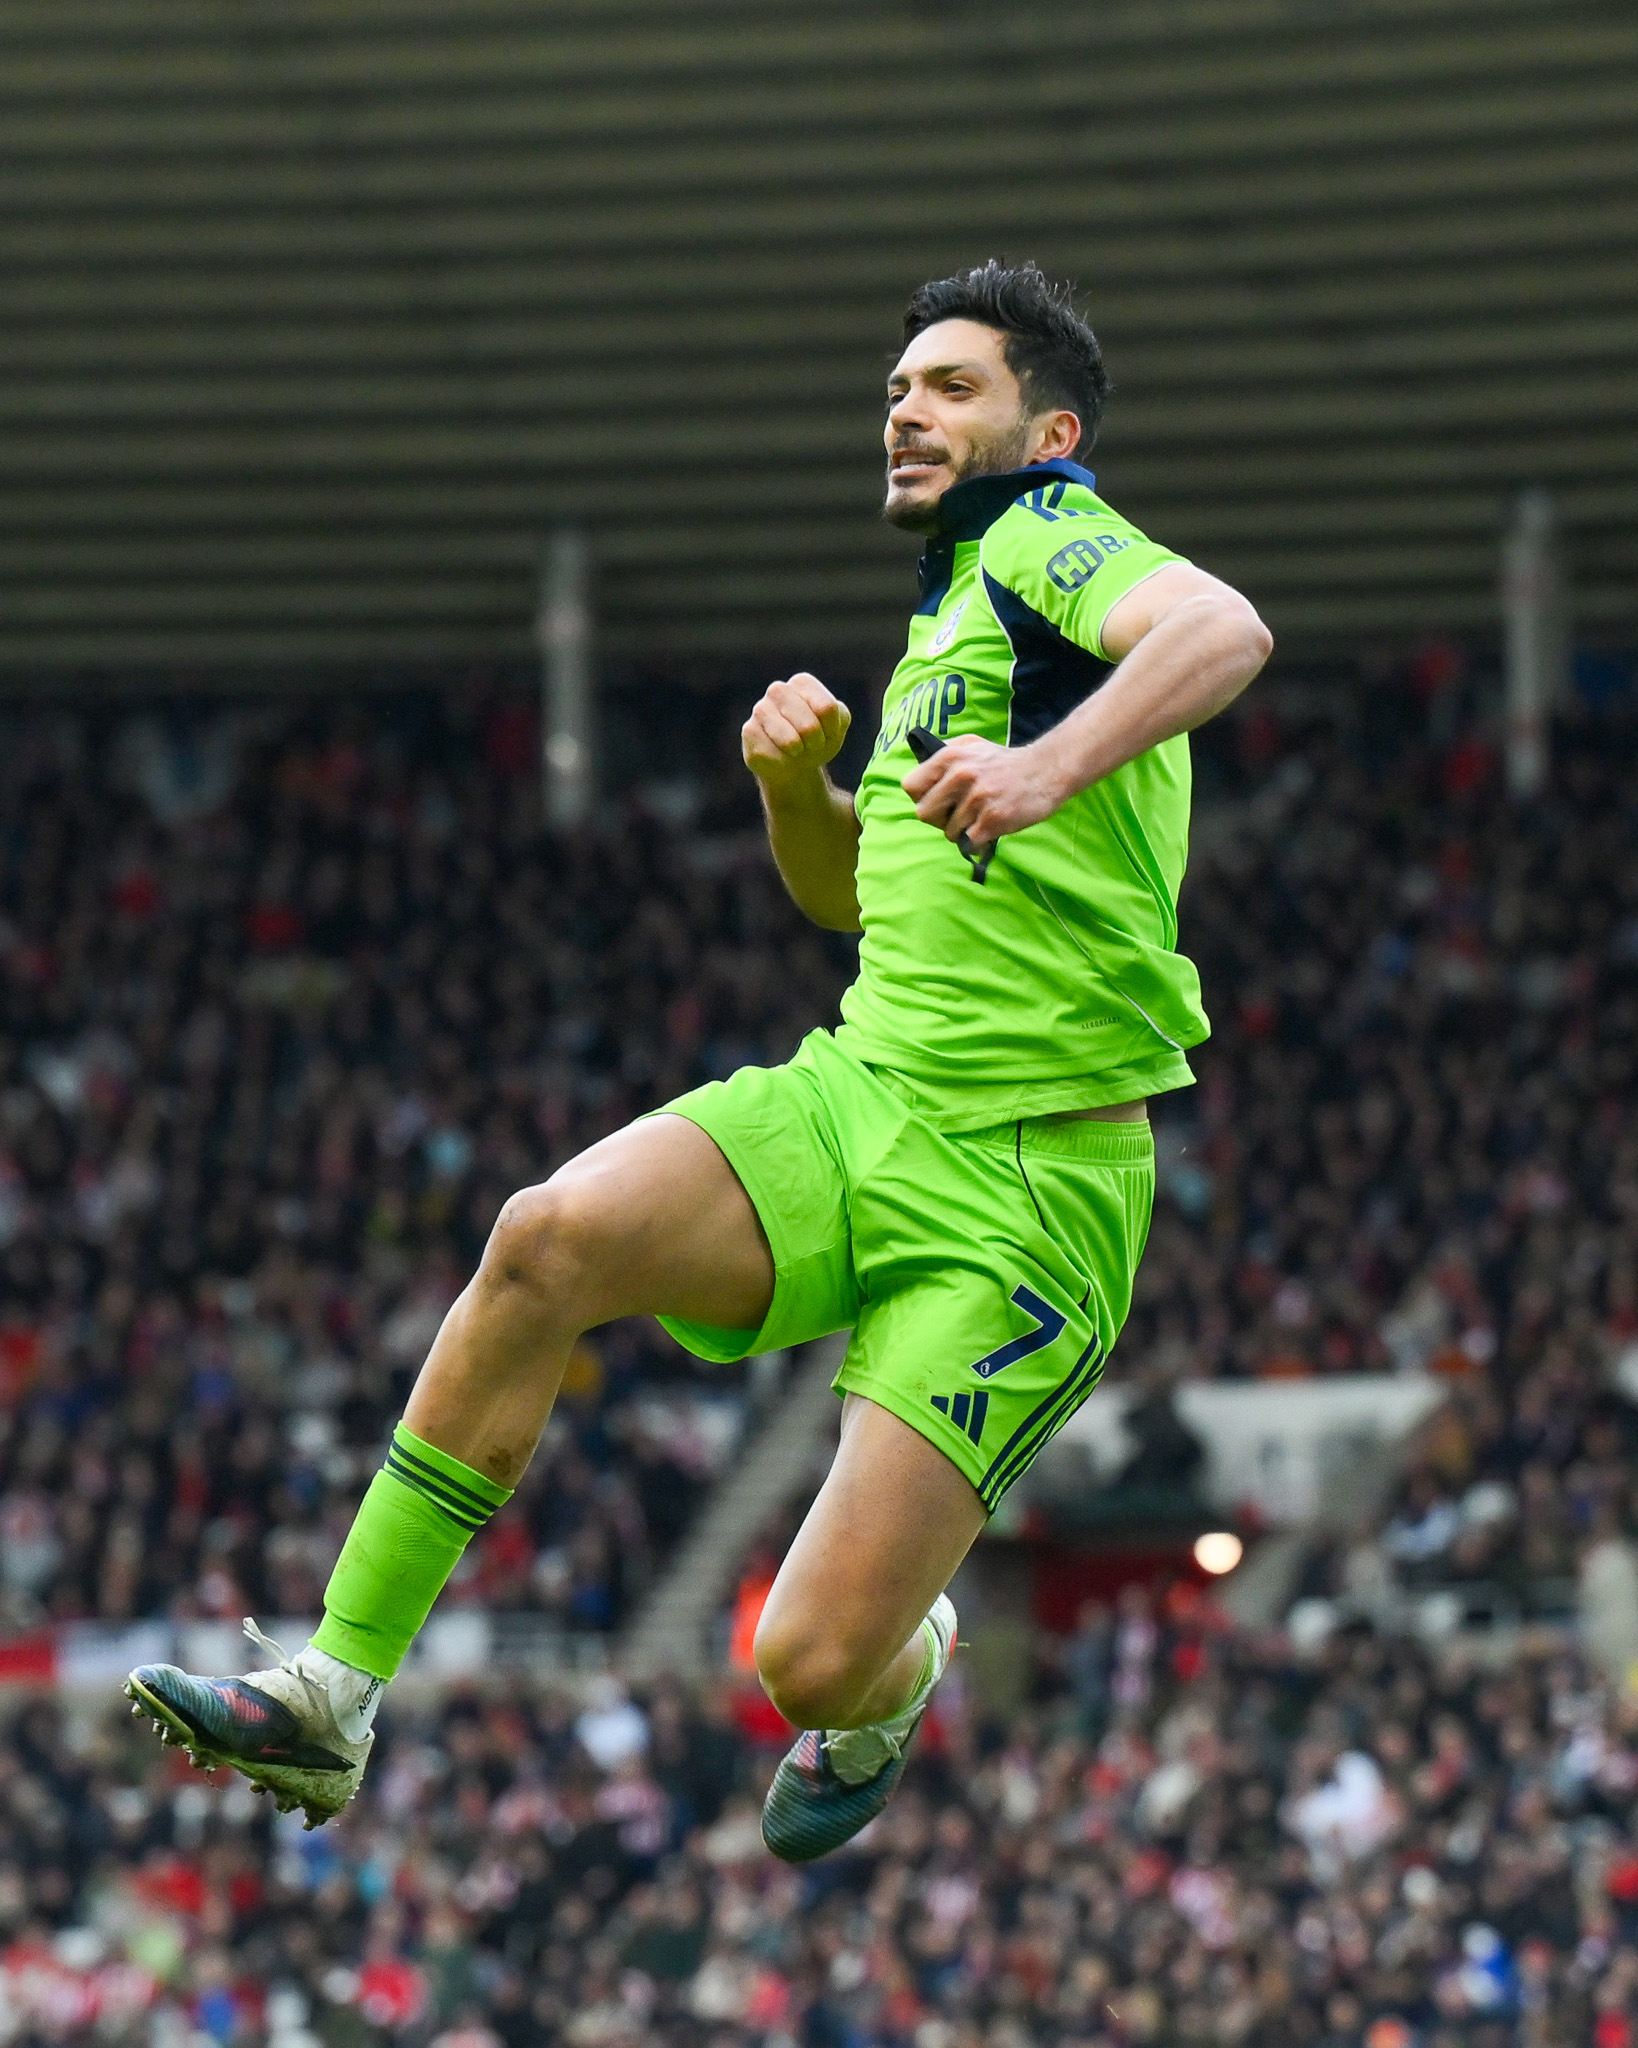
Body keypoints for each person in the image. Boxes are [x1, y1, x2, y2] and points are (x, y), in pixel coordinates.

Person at [125, 260, 1271, 1860]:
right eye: (895, 388)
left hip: (1029, 1191)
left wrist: (1047, 764)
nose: (906, 410)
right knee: (544, 1237)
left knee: (803, 1664)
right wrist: (797, 789)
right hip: (862, 1091)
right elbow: (845, 902)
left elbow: (1223, 625)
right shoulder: (953, 611)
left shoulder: (1048, 540)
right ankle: (331, 1693)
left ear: (1047, 426)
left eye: (951, 386)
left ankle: (897, 1671)